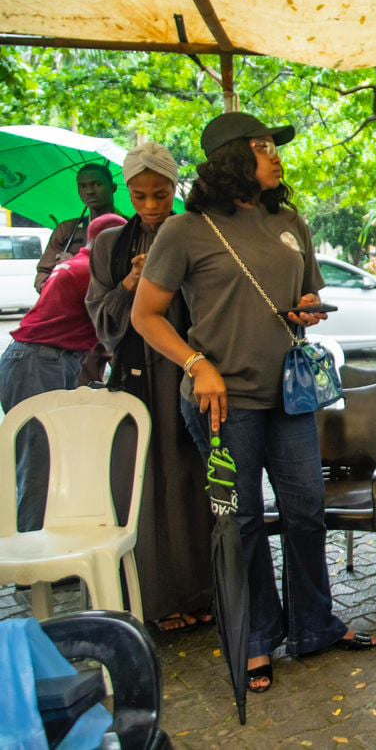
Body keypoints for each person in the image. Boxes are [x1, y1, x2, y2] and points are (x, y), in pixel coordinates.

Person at [131, 112, 376, 694]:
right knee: (240, 523)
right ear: (232, 158)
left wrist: (309, 304)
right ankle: (257, 640)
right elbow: (146, 315)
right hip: (222, 402)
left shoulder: (289, 219)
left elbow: (307, 289)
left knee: (306, 511)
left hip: (288, 395)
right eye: (264, 147)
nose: (275, 156)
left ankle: (316, 626)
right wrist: (198, 365)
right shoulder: (186, 230)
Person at [85, 142, 215, 632]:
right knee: (144, 489)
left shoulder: (194, 234)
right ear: (127, 192)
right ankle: (158, 602)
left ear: (175, 189)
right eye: (140, 196)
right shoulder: (108, 245)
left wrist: (167, 281)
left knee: (192, 482)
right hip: (135, 381)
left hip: (185, 375)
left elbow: (209, 305)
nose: (152, 206)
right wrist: (128, 287)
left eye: (160, 195)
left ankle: (204, 594)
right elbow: (100, 320)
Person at [0, 212, 125, 531]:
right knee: (40, 457)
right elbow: (113, 317)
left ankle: (51, 540)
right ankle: (34, 555)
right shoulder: (89, 272)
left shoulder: (79, 263)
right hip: (39, 361)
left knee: (52, 454)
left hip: (43, 359)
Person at [34, 163, 125, 292]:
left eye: (97, 184)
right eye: (83, 186)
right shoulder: (67, 230)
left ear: (113, 188)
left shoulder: (129, 228)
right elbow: (43, 273)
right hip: (70, 304)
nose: (89, 192)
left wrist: (76, 265)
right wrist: (53, 291)